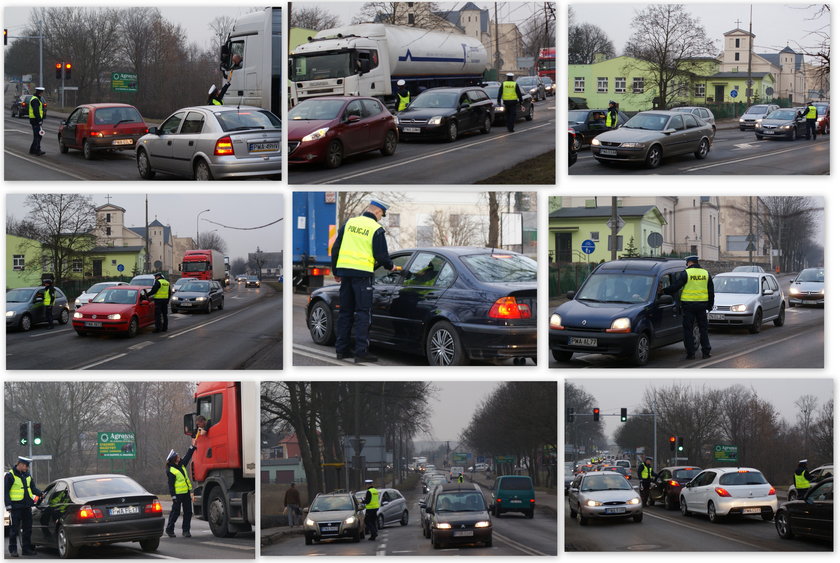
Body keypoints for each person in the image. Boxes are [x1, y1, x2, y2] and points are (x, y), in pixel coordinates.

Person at [331, 200, 394, 363]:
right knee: (363, 313)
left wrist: (336, 271)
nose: (381, 219)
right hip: (362, 276)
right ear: (378, 213)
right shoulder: (376, 229)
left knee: (345, 312)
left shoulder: (349, 223)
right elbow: (381, 256)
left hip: (345, 274)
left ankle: (342, 350)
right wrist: (391, 266)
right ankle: (361, 352)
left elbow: (335, 248)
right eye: (382, 215)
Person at [664, 255, 714, 360]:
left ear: (689, 263)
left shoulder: (686, 273)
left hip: (688, 306)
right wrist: (710, 306)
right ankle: (706, 352)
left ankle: (691, 353)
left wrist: (663, 291)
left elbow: (675, 287)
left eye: (687, 263)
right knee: (703, 329)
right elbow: (711, 292)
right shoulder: (706, 273)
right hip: (702, 306)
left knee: (688, 330)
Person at [5, 456, 43, 557]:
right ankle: (13, 550)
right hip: (16, 507)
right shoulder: (10, 475)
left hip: (27, 506)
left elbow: (33, 488)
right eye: (26, 466)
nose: (27, 468)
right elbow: (5, 492)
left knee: (27, 529)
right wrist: (8, 505)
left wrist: (41, 493)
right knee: (14, 529)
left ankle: (26, 549)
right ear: (20, 464)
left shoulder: (27, 475)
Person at [165, 439, 197, 538]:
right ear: (174, 459)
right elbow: (170, 484)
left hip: (186, 493)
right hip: (178, 495)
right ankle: (169, 530)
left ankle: (186, 531)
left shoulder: (181, 465)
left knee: (188, 512)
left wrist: (192, 447)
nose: (179, 457)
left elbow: (187, 456)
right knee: (175, 512)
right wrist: (173, 496)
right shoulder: (171, 470)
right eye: (177, 456)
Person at [28, 87, 46, 156]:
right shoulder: (35, 100)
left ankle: (32, 150)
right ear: (40, 93)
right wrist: (39, 120)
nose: (42, 94)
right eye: (42, 92)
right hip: (35, 120)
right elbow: (36, 111)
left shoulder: (35, 99)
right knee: (38, 136)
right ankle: (37, 150)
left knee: (37, 135)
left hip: (34, 120)